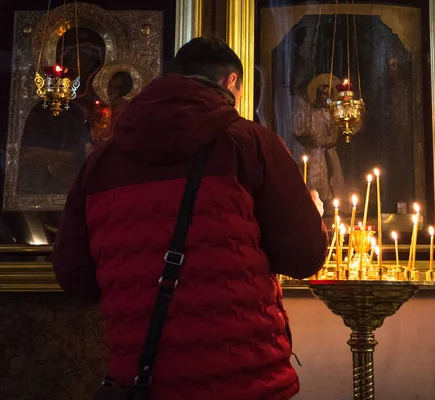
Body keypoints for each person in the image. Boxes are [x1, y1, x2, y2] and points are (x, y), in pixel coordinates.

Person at [52, 37, 327, 400]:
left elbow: (73, 274)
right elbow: (305, 256)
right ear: (231, 83)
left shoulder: (100, 162)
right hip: (244, 379)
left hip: (144, 379)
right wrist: (314, 214)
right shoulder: (250, 143)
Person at [292, 73, 346, 203]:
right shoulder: (314, 113)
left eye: (329, 94)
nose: (326, 98)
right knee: (317, 186)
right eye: (323, 94)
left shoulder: (336, 113)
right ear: (318, 95)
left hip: (331, 152)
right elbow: (303, 130)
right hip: (317, 154)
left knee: (335, 182)